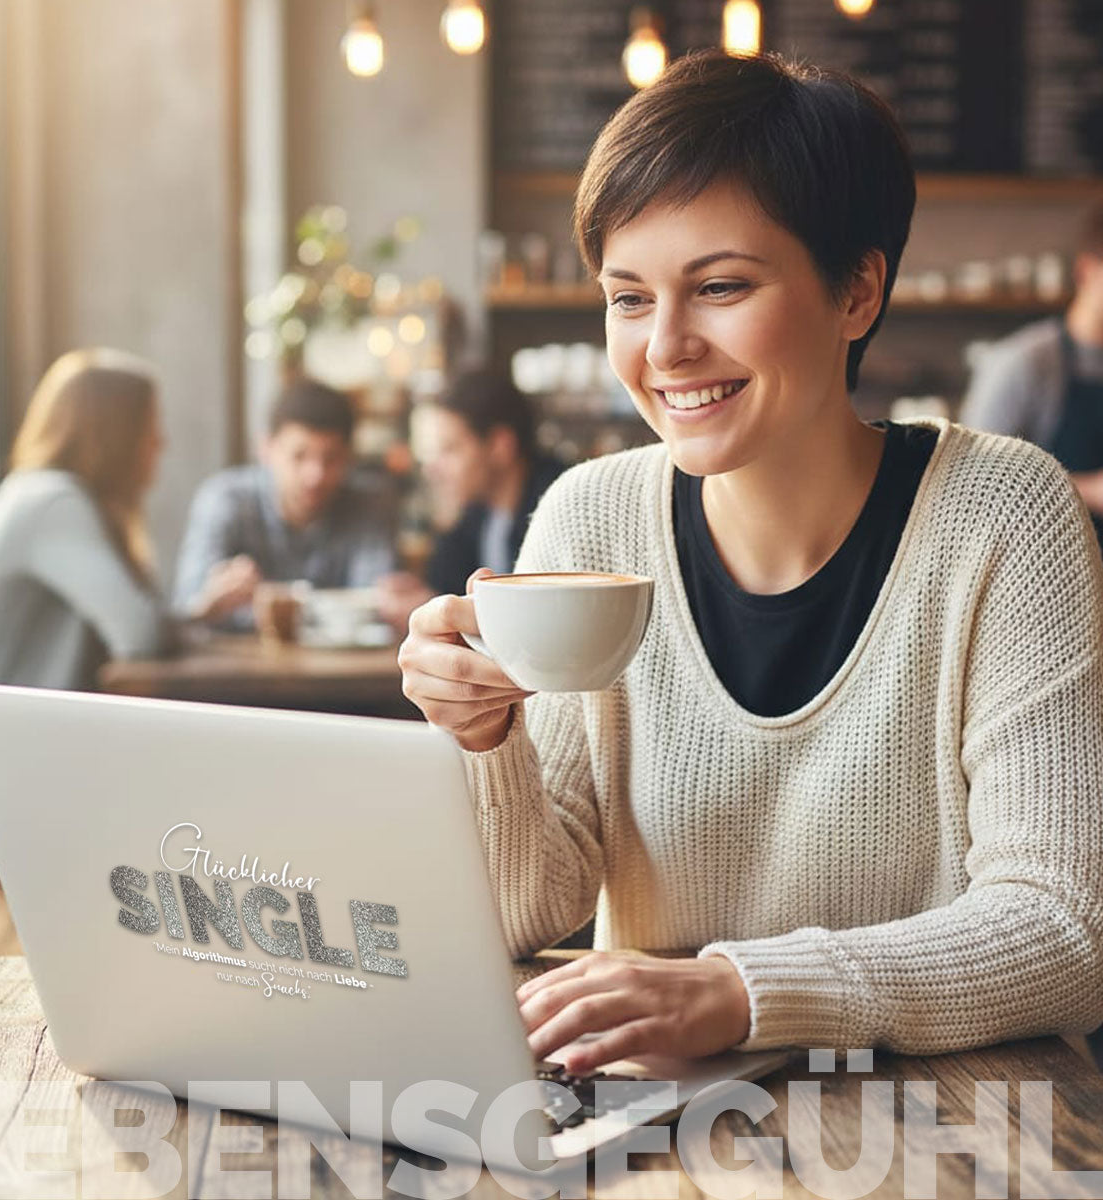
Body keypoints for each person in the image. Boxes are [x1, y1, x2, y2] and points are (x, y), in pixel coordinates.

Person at [397, 49, 1103, 1073]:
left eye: (719, 286)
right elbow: (526, 916)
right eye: (628, 298)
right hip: (655, 1136)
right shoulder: (587, 520)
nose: (666, 346)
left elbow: (1064, 930)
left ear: (857, 291)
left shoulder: (1004, 515)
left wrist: (742, 993)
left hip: (954, 1135)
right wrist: (482, 740)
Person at [0, 349, 180, 867]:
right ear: (115, 434)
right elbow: (138, 632)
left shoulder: (44, 496)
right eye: (149, 427)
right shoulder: (54, 503)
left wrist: (199, 614)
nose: (160, 443)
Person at [173, 379, 398, 627]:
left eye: (330, 458)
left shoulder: (370, 505)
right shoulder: (225, 499)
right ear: (266, 448)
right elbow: (191, 605)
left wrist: (265, 603)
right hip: (239, 664)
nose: (315, 475)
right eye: (299, 456)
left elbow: (376, 607)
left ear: (349, 457)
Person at [376, 370, 564, 630]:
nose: (432, 468)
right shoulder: (479, 514)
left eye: (449, 450)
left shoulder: (560, 507)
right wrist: (426, 599)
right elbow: (448, 589)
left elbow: (544, 621)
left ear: (500, 446)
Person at [961, 201, 1103, 543]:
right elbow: (972, 486)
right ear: (1086, 271)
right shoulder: (1023, 363)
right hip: (1048, 577)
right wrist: (1089, 490)